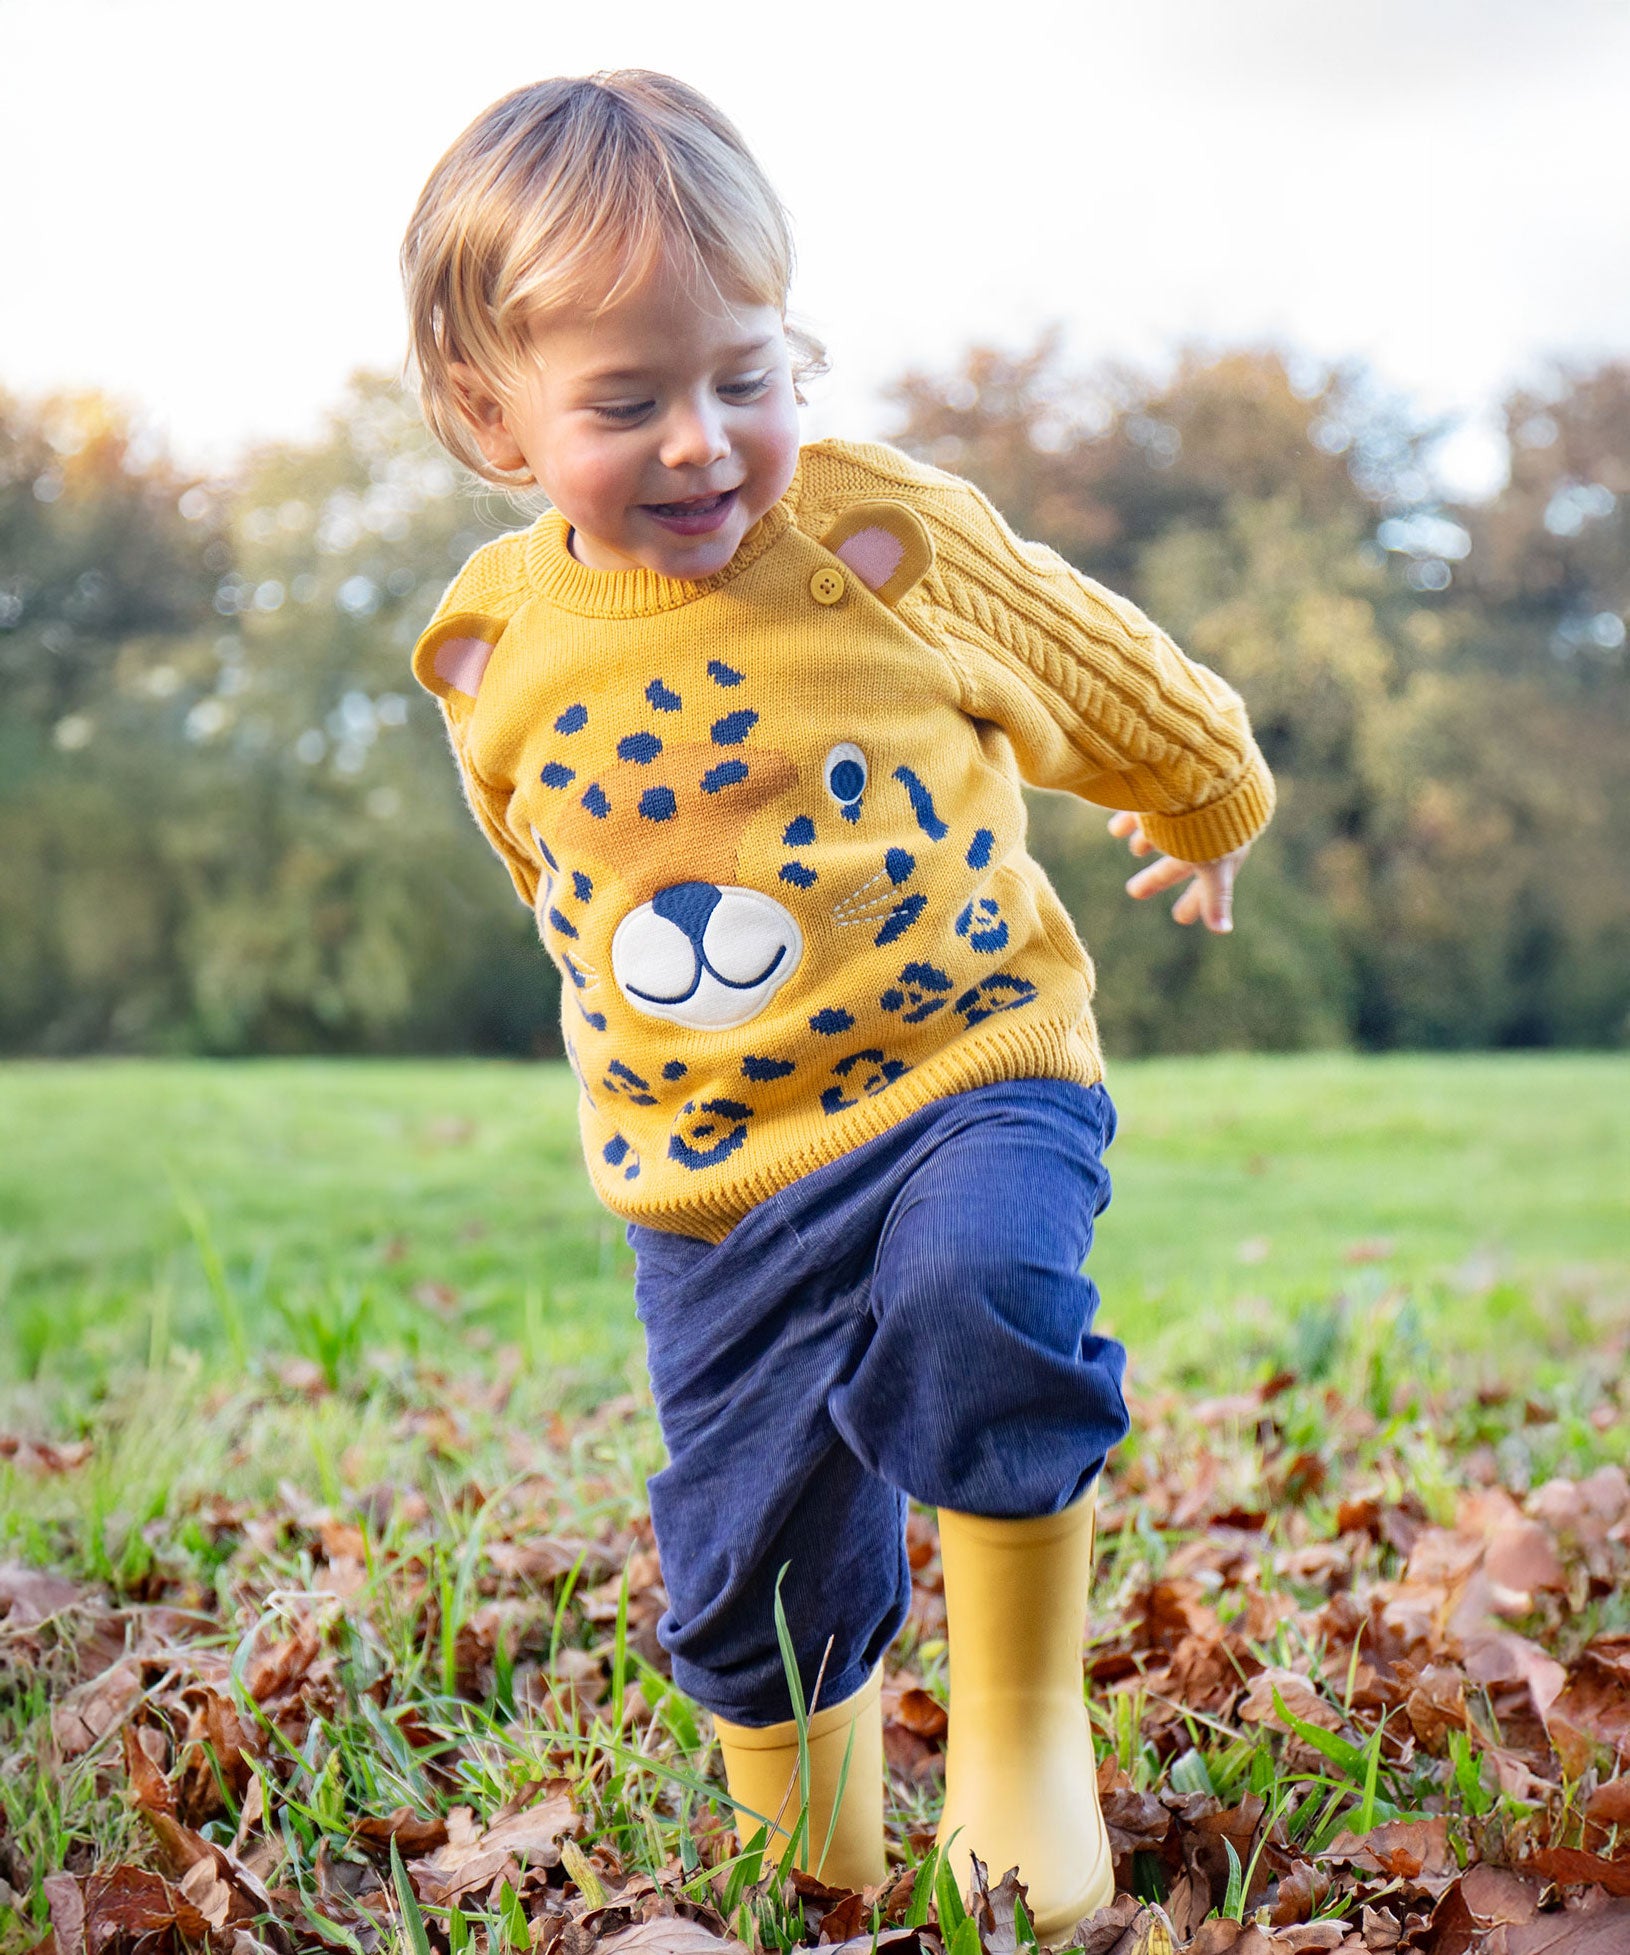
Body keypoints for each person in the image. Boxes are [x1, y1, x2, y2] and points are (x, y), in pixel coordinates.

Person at [400, 70, 1272, 1941]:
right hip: (715, 1175)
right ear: (491, 414)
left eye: (746, 371)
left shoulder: (884, 541)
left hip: (971, 1068)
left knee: (984, 1302)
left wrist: (1204, 796)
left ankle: (1023, 1732)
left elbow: (1097, 667)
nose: (705, 440)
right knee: (740, 1571)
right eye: (626, 402)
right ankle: (820, 1846)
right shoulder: (488, 649)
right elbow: (559, 877)